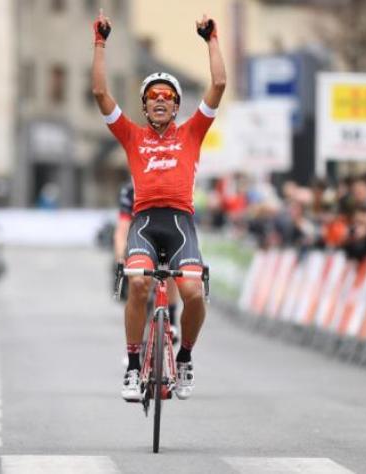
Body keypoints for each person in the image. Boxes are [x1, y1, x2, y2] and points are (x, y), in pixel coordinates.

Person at [92, 9, 226, 401]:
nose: (161, 100)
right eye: (153, 96)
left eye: (169, 96)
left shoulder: (192, 132)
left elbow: (218, 82)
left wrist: (212, 39)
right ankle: (133, 368)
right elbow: (101, 94)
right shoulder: (132, 136)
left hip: (181, 223)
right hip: (145, 223)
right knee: (137, 283)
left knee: (195, 293)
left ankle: (184, 356)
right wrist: (99, 42)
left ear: (177, 104)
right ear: (145, 106)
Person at [114, 180, 180, 340]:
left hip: (165, 236)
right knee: (137, 284)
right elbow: (122, 229)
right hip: (138, 238)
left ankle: (172, 318)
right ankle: (134, 341)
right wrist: (120, 258)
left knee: (171, 267)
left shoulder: (172, 186)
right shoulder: (130, 191)